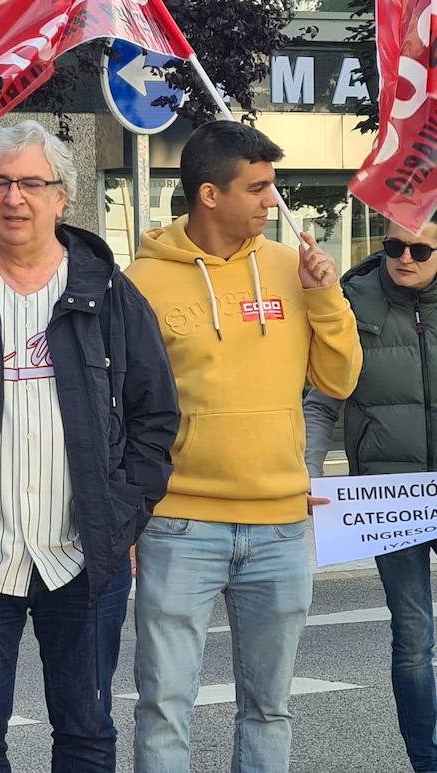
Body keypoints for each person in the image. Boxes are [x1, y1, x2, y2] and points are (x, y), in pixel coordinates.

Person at [0, 120, 179, 771]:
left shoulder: (109, 295)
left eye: (30, 183)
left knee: (84, 730)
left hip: (83, 555)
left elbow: (155, 414)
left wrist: (122, 511)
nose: (13, 198)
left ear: (61, 195)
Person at [127, 120, 362, 771]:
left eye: (271, 188)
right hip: (179, 524)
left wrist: (326, 297)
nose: (271, 202)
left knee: (269, 707)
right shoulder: (143, 280)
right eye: (257, 188)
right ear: (209, 194)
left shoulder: (293, 268)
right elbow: (121, 405)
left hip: (281, 524)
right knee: (164, 705)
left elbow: (338, 378)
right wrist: (129, 515)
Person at [303, 214, 437, 773]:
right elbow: (321, 399)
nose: (405, 257)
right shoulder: (351, 301)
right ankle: (426, 762)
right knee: (413, 634)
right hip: (389, 496)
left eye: (421, 251)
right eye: (393, 246)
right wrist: (305, 476)